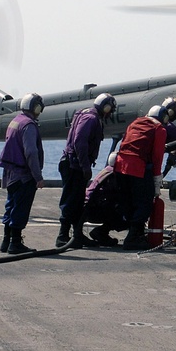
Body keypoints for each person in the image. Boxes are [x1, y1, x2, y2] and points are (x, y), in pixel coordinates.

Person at [56, 93, 117, 248]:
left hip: (74, 164)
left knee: (77, 201)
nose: (110, 113)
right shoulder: (91, 118)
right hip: (74, 165)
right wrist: (85, 166)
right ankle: (62, 236)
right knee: (70, 200)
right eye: (110, 109)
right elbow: (80, 141)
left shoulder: (86, 114)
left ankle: (77, 235)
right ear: (106, 106)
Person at [113, 105, 168, 250]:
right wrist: (157, 181)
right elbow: (157, 157)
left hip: (120, 167)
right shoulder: (159, 129)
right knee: (144, 203)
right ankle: (132, 238)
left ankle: (106, 230)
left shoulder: (135, 123)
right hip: (138, 168)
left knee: (126, 202)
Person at [0, 93, 45, 254]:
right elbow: (31, 152)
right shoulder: (29, 125)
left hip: (11, 172)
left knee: (11, 205)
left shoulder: (16, 121)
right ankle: (15, 243)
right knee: (20, 207)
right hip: (24, 175)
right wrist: (38, 177)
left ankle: (6, 241)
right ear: (36, 107)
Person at [84, 153, 128, 246]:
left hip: (88, 205)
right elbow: (114, 195)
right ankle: (101, 232)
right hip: (93, 209)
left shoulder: (107, 170)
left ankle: (101, 232)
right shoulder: (113, 175)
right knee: (126, 213)